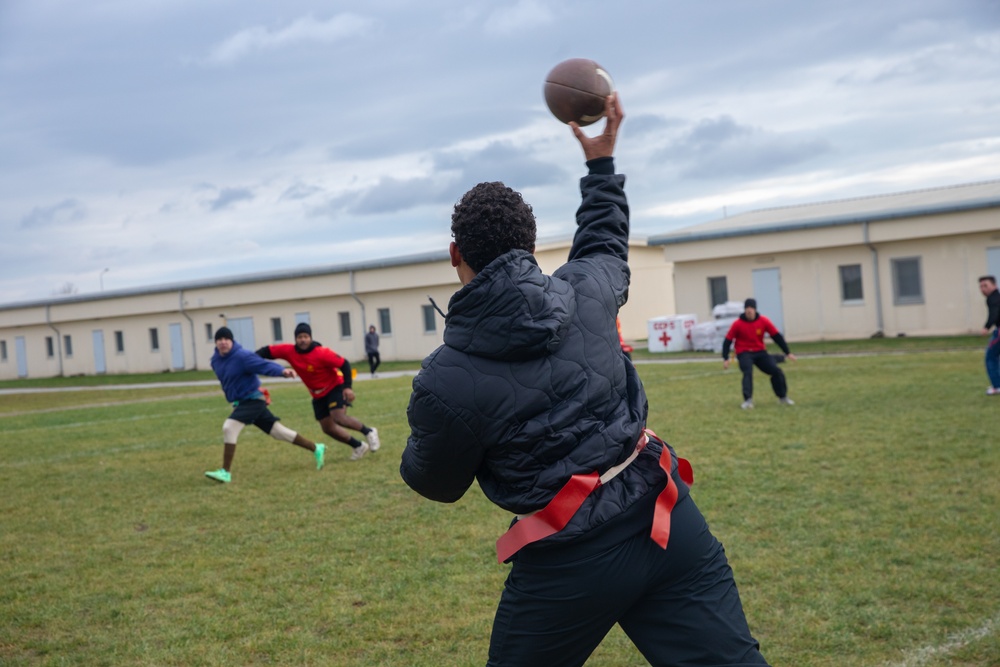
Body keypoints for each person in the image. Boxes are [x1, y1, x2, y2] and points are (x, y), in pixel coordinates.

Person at [401, 94, 769, 666]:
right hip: (666, 519)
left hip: (571, 557)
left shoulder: (444, 379)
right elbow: (603, 238)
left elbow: (435, 482)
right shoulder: (587, 288)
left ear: (454, 254)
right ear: (529, 243)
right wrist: (600, 164)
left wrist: (427, 426)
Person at [206, 327, 325, 484]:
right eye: (219, 340)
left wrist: (282, 371)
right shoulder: (215, 361)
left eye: (226, 339)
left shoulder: (242, 356)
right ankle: (316, 448)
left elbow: (263, 365)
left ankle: (225, 472)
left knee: (229, 428)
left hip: (254, 400)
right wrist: (234, 399)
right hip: (243, 401)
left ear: (232, 341)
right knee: (277, 432)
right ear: (216, 343)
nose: (223, 342)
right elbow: (229, 382)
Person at [256, 323, 380, 460]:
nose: (303, 339)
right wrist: (249, 360)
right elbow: (267, 351)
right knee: (328, 428)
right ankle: (358, 446)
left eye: (306, 336)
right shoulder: (289, 351)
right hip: (317, 394)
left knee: (338, 417)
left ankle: (369, 431)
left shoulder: (321, 352)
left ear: (310, 337)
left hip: (334, 387)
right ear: (295, 339)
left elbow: (344, 364)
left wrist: (347, 387)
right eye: (299, 337)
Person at [722, 299, 797, 409]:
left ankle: (783, 397)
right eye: (747, 309)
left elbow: (776, 337)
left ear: (755, 310)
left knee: (776, 371)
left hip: (760, 352)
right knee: (747, 371)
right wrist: (725, 358)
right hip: (744, 353)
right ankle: (748, 400)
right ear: (744, 310)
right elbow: (727, 341)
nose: (749, 312)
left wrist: (788, 352)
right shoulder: (737, 324)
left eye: (751, 309)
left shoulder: (763, 321)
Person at [979, 275, 1000, 395]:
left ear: (994, 285)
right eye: (981, 286)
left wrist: (986, 327)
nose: (982, 289)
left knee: (990, 357)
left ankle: (997, 386)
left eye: (985, 285)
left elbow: (994, 314)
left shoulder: (993, 298)